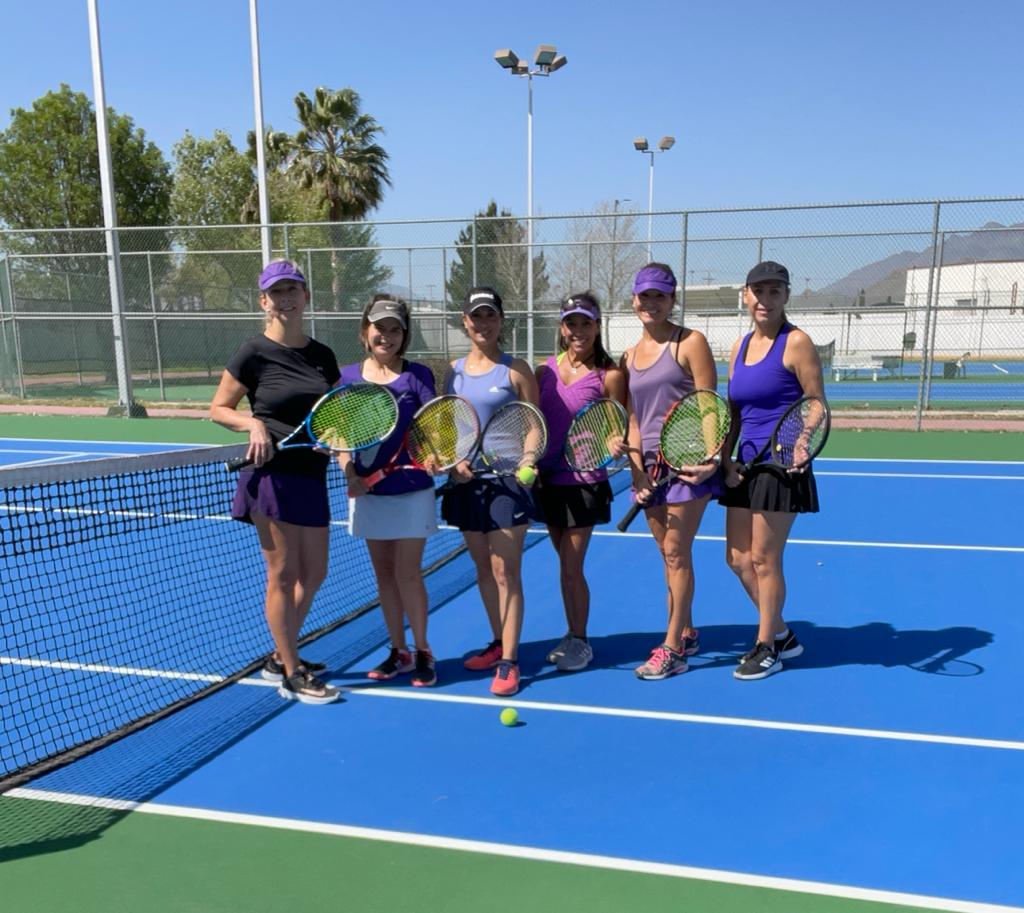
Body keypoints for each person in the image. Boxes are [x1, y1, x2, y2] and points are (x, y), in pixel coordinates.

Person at [210, 259, 340, 705]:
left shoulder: (322, 356)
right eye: (277, 292)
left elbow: (336, 414)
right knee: (283, 574)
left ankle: (279, 655)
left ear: (305, 297)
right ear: (264, 301)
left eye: (293, 290)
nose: (286, 299)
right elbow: (219, 408)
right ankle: (291, 670)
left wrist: (334, 438)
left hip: (311, 474)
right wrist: (253, 425)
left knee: (316, 572)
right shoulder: (253, 351)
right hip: (270, 475)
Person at [720, 260, 826, 680]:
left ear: (785, 296)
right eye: (758, 291)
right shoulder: (739, 347)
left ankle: (766, 647)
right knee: (737, 559)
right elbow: (733, 410)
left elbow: (815, 401)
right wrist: (725, 458)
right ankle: (781, 632)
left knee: (765, 558)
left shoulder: (797, 342)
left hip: (782, 465)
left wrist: (803, 439)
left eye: (774, 292)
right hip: (743, 465)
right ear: (746, 295)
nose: (765, 300)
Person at [623, 263, 721, 681]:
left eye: (660, 296)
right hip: (649, 471)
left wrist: (711, 458)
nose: (652, 303)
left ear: (672, 300)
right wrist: (637, 472)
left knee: (677, 552)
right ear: (634, 300)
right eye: (645, 296)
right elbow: (632, 418)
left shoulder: (690, 342)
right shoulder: (628, 356)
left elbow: (708, 405)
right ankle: (687, 628)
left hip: (688, 468)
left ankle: (672, 647)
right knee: (668, 554)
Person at [441, 286, 540, 697]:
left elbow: (534, 422)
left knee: (505, 572)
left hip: (507, 484)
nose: (483, 324)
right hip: (467, 485)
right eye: (476, 316)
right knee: (483, 569)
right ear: (465, 321)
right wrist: (453, 460)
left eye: (490, 316)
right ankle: (498, 641)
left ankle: (509, 660)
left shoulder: (516, 370)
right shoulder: (453, 371)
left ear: (501, 321)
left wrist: (528, 461)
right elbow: (445, 425)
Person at [337, 296, 440, 687]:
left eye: (395, 329)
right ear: (366, 331)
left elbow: (434, 428)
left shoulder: (418, 376)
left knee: (408, 573)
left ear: (404, 334)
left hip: (412, 489)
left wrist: (435, 454)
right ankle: (399, 651)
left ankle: (423, 650)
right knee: (383, 574)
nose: (387, 336)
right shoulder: (347, 378)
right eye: (380, 328)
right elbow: (338, 434)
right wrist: (349, 472)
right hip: (368, 493)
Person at [535, 292, 627, 673]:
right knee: (564, 566)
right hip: (547, 479)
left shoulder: (611, 375)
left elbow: (616, 423)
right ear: (562, 327)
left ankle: (581, 641)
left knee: (572, 566)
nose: (578, 331)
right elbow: (534, 421)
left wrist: (614, 443)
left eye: (586, 323)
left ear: (597, 326)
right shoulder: (544, 371)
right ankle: (572, 633)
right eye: (571, 323)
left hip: (584, 480)